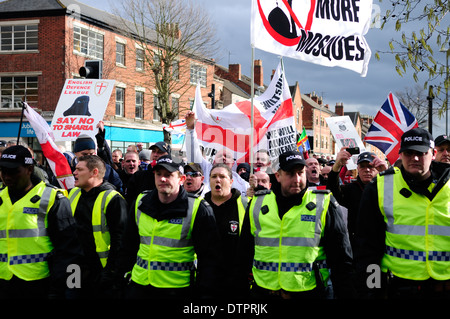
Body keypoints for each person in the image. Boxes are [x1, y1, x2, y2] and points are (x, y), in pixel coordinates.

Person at [239, 150, 355, 299]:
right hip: (264, 292)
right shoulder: (257, 203)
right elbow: (243, 255)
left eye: (300, 173)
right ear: (278, 176)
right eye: (290, 174)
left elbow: (342, 261)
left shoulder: (323, 203)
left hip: (310, 293)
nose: (297, 179)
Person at [355, 128, 450, 299]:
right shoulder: (379, 187)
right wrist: (372, 290)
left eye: (420, 153)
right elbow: (367, 249)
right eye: (408, 153)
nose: (414, 158)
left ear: (432, 153)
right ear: (400, 155)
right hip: (399, 288)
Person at [118, 155, 221, 299]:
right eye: (158, 174)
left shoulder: (198, 208)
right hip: (139, 285)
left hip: (177, 289)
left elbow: (209, 258)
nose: (162, 179)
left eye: (168, 175)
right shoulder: (141, 202)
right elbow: (128, 246)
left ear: (181, 179)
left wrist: (203, 293)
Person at [0, 145, 83, 299]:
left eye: (13, 172)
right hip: (3, 283)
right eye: (3, 171)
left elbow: (70, 251)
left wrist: (68, 289)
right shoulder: (1, 197)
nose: (7, 176)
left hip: (39, 284)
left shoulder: (52, 198)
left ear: (29, 169)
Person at [68, 155, 128, 299]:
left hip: (100, 270)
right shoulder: (73, 193)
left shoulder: (113, 199)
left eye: (79, 169)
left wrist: (110, 272)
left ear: (94, 172)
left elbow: (120, 241)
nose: (74, 173)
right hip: (74, 268)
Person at [327, 148, 388, 251]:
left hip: (381, 242)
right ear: (358, 169)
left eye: (370, 166)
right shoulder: (351, 189)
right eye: (362, 167)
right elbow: (332, 192)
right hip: (356, 244)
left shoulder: (385, 186)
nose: (367, 170)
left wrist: (387, 173)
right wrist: (337, 166)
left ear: (377, 168)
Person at [203, 163, 249, 298]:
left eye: (222, 176)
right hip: (206, 281)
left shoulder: (245, 204)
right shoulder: (200, 205)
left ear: (231, 181)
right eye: (214, 176)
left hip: (236, 281)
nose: (217, 180)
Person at [184, 111, 250, 195]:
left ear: (233, 163)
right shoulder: (206, 169)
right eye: (220, 156)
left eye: (227, 157)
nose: (224, 158)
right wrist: (190, 129)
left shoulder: (241, 182)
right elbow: (193, 153)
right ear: (214, 161)